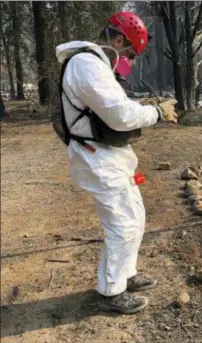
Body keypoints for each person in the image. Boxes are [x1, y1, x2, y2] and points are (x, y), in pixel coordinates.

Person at [55, 11, 178, 314]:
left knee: (134, 214)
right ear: (119, 39)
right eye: (131, 54)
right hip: (96, 157)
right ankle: (110, 292)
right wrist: (157, 113)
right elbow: (120, 115)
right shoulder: (86, 64)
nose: (130, 62)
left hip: (110, 155)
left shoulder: (95, 64)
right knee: (121, 224)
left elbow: (113, 106)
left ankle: (126, 274)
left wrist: (144, 108)